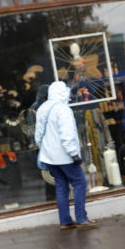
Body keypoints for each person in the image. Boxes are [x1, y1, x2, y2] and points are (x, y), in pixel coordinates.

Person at [35, 81, 99, 230]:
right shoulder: (63, 109)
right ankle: (82, 218)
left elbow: (38, 135)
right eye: (66, 92)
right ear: (61, 93)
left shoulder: (43, 108)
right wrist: (74, 154)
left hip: (49, 156)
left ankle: (65, 221)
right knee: (80, 183)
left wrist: (45, 148)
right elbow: (67, 135)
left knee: (61, 186)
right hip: (64, 156)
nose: (68, 94)